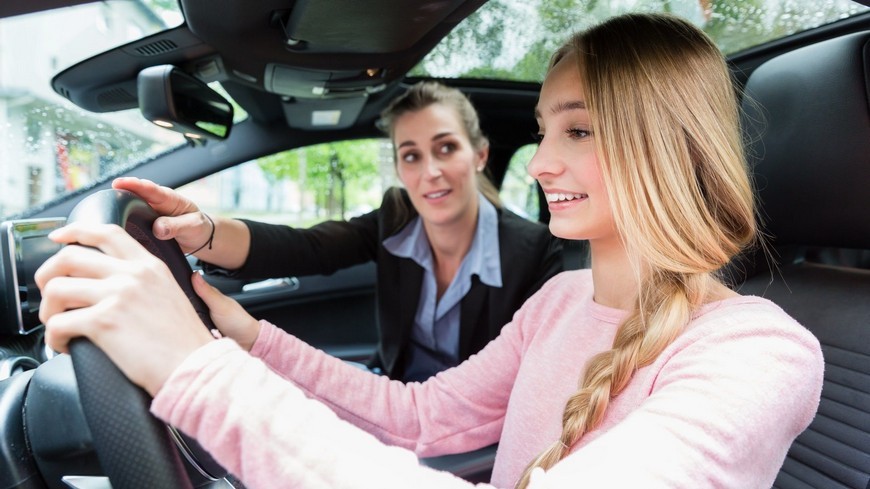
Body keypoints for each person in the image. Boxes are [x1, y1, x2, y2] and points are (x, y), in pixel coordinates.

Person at [36, 12, 823, 489]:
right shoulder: (559, 305)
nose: (543, 163)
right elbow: (415, 416)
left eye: (577, 130)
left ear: (665, 145)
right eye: (546, 130)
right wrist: (237, 335)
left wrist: (193, 373)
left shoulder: (760, 352)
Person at [111, 80, 565, 382]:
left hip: (469, 425)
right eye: (410, 155)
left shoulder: (532, 251)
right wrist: (205, 231)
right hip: (393, 388)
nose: (430, 172)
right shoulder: (396, 215)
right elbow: (307, 248)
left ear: (479, 155)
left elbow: (521, 382)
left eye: (446, 148)